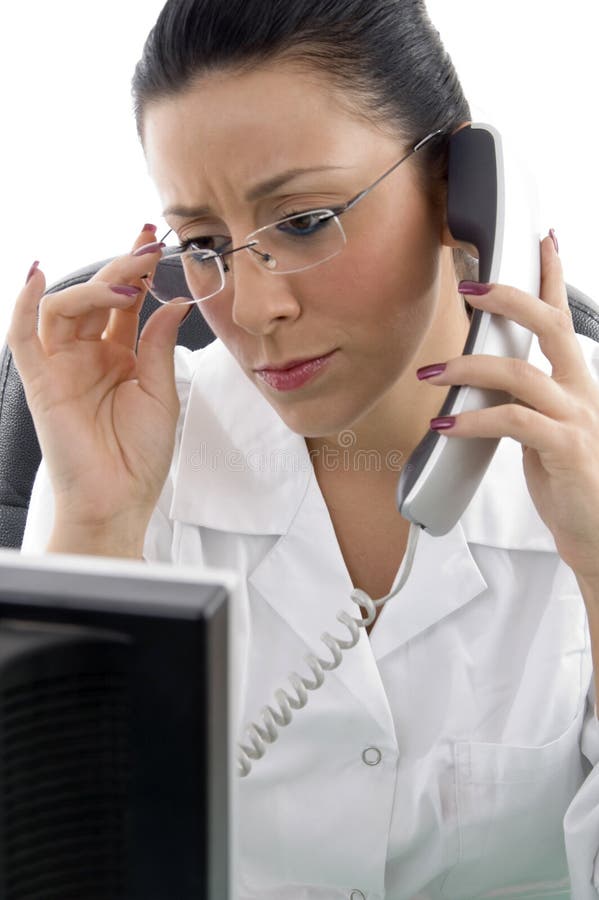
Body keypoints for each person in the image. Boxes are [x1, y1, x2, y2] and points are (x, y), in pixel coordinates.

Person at [8, 0, 599, 897]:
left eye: (303, 221)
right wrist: (98, 528)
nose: (249, 310)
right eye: (204, 245)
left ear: (460, 191)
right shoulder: (124, 452)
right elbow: (53, 870)